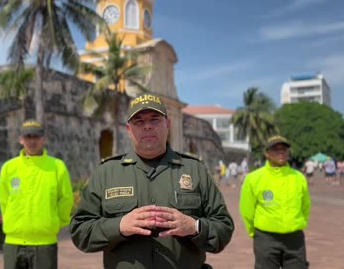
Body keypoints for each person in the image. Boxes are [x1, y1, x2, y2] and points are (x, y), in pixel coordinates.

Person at [70, 93, 234, 269]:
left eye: (155, 120)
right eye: (139, 122)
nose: (147, 126)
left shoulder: (195, 170)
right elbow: (80, 231)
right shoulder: (106, 173)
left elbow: (223, 228)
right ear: (128, 129)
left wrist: (194, 226)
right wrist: (118, 226)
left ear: (168, 125)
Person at [0, 119, 74, 269]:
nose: (32, 141)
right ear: (21, 140)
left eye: (36, 137)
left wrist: (53, 223)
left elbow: (65, 199)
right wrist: (11, 220)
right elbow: (4, 200)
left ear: (43, 139)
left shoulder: (57, 167)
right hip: (14, 242)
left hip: (44, 242)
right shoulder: (9, 168)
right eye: (28, 137)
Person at [239, 135, 311, 269]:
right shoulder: (254, 178)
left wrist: (298, 223)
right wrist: (254, 233)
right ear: (267, 153)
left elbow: (305, 206)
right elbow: (247, 210)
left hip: (295, 239)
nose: (281, 152)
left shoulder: (298, 177)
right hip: (266, 238)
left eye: (284, 149)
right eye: (276, 149)